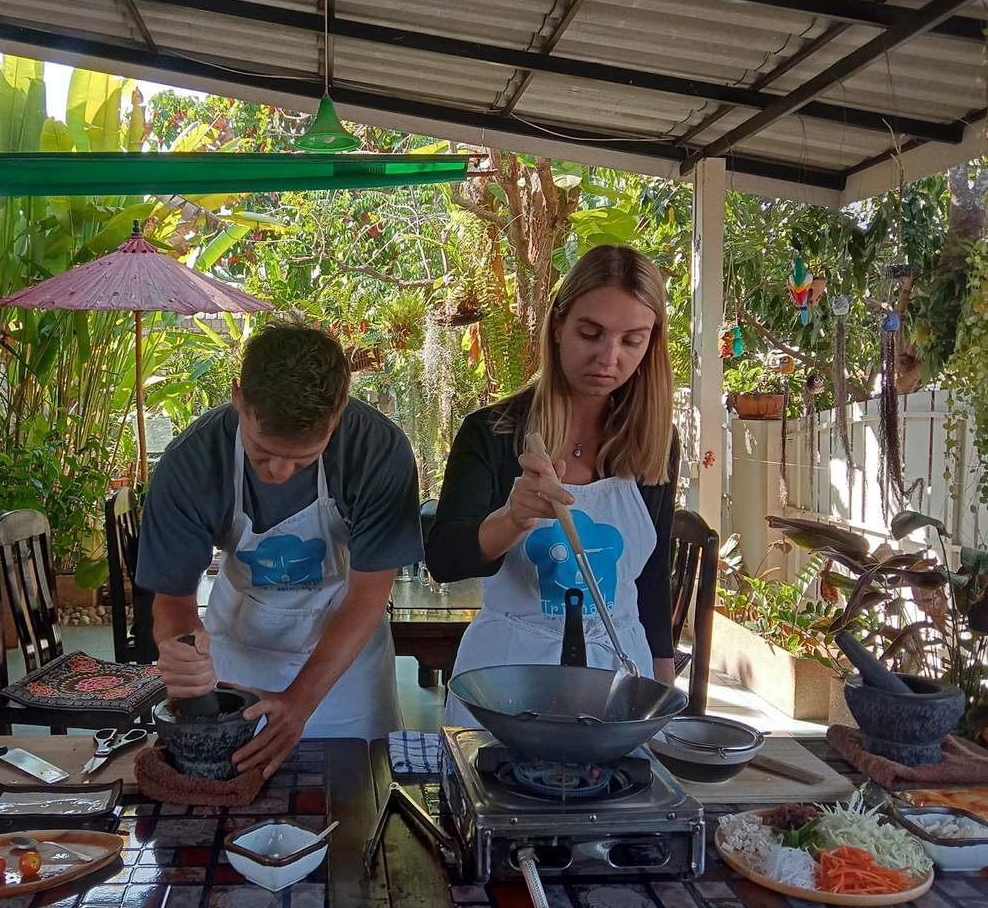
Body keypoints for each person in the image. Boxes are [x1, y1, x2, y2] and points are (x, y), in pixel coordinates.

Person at [135, 321, 422, 776]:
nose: (281, 472)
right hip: (239, 661)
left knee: (355, 799)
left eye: (304, 458)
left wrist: (300, 700)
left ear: (339, 413)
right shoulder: (191, 461)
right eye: (262, 452)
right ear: (238, 398)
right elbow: (173, 598)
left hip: (345, 669)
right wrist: (180, 649)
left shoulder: (377, 450)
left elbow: (369, 596)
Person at [426, 245, 679, 727]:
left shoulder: (654, 441)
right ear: (558, 325)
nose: (609, 357)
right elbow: (444, 560)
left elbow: (650, 575)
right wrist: (513, 518)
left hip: (617, 678)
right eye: (591, 333)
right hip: (504, 682)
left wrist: (661, 692)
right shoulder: (495, 432)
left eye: (633, 340)